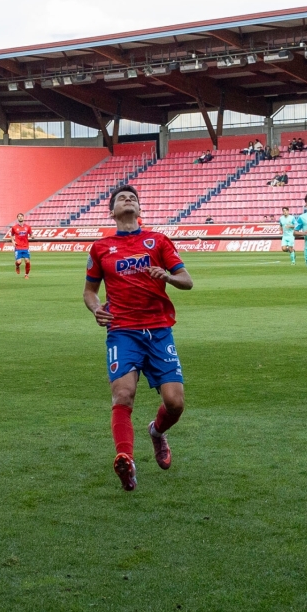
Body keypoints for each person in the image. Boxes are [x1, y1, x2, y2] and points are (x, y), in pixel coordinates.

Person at [83, 184, 194, 492]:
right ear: (112, 211)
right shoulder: (100, 248)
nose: (128, 200)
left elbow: (187, 281)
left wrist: (168, 276)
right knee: (123, 394)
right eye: (121, 198)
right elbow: (90, 291)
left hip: (158, 330)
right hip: (122, 331)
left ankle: (157, 432)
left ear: (139, 208)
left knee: (175, 403)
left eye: (132, 197)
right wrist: (96, 308)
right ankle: (126, 461)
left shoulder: (158, 241)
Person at [10, 212, 33, 278]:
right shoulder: (14, 227)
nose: (20, 217)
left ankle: (26, 275)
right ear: (17, 218)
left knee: (27, 261)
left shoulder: (28, 227)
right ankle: (17, 266)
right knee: (19, 262)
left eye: (21, 216)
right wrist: (13, 241)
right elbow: (12, 235)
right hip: (18, 247)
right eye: (19, 216)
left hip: (25, 247)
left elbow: (31, 234)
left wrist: (32, 236)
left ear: (23, 218)